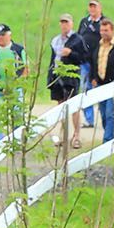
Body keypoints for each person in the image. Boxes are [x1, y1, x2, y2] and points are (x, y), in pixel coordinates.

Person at [48, 14, 86, 149]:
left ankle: (76, 136)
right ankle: (63, 135)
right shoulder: (55, 41)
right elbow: (53, 60)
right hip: (57, 76)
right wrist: (50, 77)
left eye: (66, 22)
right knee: (60, 106)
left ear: (71, 24)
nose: (64, 25)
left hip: (71, 77)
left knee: (74, 107)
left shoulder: (77, 40)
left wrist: (70, 53)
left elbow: (82, 58)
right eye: (62, 22)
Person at [89, 17, 114, 143]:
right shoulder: (97, 46)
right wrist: (92, 78)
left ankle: (108, 140)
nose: (103, 33)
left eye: (106, 30)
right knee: (103, 113)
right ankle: (110, 136)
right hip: (100, 84)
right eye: (102, 30)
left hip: (112, 84)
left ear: (112, 30)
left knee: (110, 113)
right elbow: (93, 62)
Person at [76, 0, 105, 128]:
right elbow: (78, 38)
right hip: (84, 61)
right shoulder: (84, 22)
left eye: (95, 7)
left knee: (100, 89)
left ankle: (105, 116)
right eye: (91, 7)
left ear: (100, 8)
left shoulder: (104, 22)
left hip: (99, 62)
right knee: (85, 89)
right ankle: (89, 119)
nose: (92, 9)